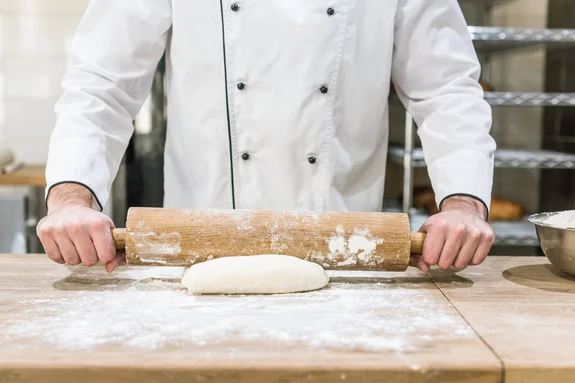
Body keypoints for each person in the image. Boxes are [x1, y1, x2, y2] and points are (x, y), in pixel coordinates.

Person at [37, 0, 496, 273]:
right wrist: (71, 197)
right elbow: (103, 83)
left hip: (347, 250)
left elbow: (446, 88)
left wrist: (463, 205)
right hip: (196, 247)